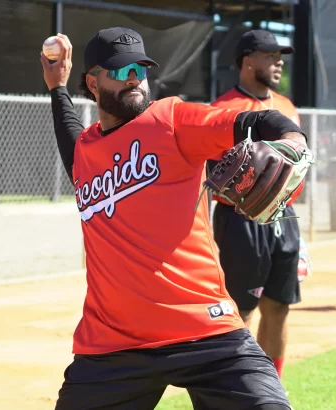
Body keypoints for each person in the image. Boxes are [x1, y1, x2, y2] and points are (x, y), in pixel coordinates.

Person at [41, 27, 309, 410]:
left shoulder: (173, 120)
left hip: (206, 329)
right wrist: (57, 88)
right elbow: (69, 134)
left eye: (140, 69)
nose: (133, 78)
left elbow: (260, 120)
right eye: (120, 71)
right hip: (113, 343)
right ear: (93, 82)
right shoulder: (86, 152)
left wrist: (293, 140)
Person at [208, 29, 310, 381]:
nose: (279, 61)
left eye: (280, 55)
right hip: (240, 220)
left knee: (279, 307)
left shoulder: (287, 107)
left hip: (285, 219)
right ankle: (239, 391)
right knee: (241, 310)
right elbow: (208, 171)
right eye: (270, 55)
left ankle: (271, 388)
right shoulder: (222, 110)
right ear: (248, 61)